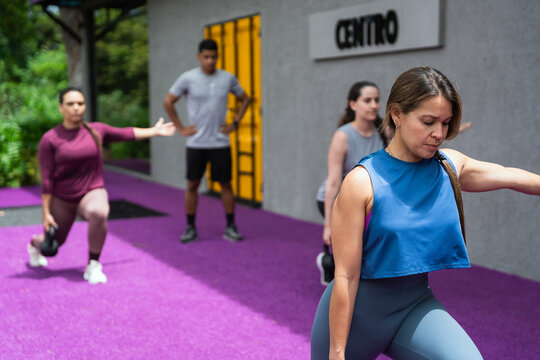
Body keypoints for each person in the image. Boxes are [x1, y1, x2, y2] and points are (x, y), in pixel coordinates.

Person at [310, 67, 540, 359]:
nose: (439, 134)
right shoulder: (362, 181)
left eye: (445, 123)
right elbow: (345, 276)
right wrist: (338, 351)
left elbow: (510, 176)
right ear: (397, 114)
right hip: (356, 316)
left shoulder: (448, 167)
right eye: (428, 122)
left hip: (415, 307)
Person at [27, 87, 176, 284]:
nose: (76, 108)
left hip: (91, 190)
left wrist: (155, 131)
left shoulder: (96, 130)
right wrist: (46, 213)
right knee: (55, 244)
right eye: (70, 104)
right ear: (61, 107)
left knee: (99, 212)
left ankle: (93, 265)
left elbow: (126, 133)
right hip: (62, 197)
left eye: (80, 103)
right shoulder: (50, 139)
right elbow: (47, 178)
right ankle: (33, 243)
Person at [163, 38, 251, 244]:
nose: (210, 61)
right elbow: (168, 101)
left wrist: (235, 123)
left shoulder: (227, 78)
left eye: (213, 57)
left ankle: (231, 227)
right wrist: (181, 127)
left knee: (226, 185)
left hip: (220, 142)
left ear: (217, 57)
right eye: (206, 57)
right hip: (196, 144)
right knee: (192, 184)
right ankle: (190, 227)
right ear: (199, 57)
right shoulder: (188, 78)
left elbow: (245, 98)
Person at [315, 81, 388, 286]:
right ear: (353, 104)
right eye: (367, 100)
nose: (374, 105)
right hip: (335, 199)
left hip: (364, 201)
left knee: (364, 246)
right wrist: (328, 225)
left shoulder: (382, 133)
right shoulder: (343, 136)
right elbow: (333, 182)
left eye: (376, 100)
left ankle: (339, 268)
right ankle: (332, 267)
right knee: (351, 252)